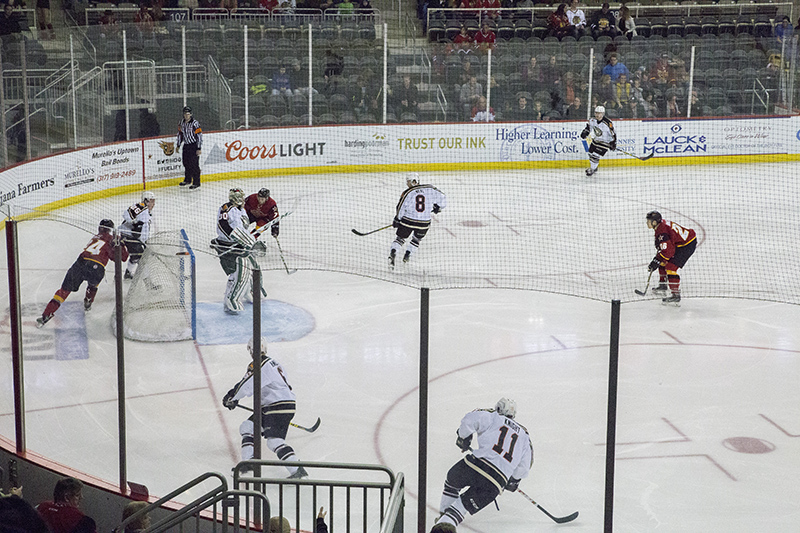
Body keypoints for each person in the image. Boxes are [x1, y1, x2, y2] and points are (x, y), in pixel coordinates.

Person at [436, 398, 532, 529]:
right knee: (461, 507)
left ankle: (443, 519)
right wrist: (513, 480)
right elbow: (524, 467)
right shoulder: (524, 435)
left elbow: (470, 420)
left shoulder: (493, 416)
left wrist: (464, 437)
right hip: (495, 482)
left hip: (475, 466)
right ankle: (447, 520)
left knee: (452, 482)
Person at [222, 336, 309, 479]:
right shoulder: (274, 363)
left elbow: (248, 384)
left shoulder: (259, 364)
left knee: (274, 441)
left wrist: (232, 396)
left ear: (250, 350)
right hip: (280, 405)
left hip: (276, 406)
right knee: (247, 427)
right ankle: (248, 462)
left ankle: (297, 470)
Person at [36, 220, 128, 327]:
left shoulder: (95, 237)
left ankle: (46, 315)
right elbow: (122, 258)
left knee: (63, 291)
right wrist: (121, 245)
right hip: (96, 268)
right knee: (94, 282)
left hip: (80, 263)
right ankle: (88, 301)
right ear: (110, 230)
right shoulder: (112, 239)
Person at [212, 188, 258, 315]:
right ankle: (229, 302)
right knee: (236, 274)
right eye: (241, 197)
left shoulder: (242, 210)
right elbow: (223, 225)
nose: (243, 200)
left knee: (249, 270)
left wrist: (248, 238)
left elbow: (244, 229)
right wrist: (235, 236)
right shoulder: (226, 208)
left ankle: (246, 293)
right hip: (227, 246)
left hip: (239, 245)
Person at [388, 173, 447, 268]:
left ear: (413, 181)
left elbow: (401, 207)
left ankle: (393, 253)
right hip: (424, 223)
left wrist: (397, 219)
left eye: (408, 181)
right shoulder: (429, 188)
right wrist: (439, 207)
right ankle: (407, 256)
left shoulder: (407, 192)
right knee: (416, 240)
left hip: (408, 221)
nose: (407, 184)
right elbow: (443, 197)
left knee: (400, 239)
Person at [645, 211, 696, 305]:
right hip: (682, 242)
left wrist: (656, 260)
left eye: (649, 221)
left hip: (687, 245)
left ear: (655, 222)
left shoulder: (662, 232)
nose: (647, 223)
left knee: (670, 268)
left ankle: (675, 295)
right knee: (662, 260)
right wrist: (658, 259)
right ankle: (663, 285)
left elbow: (668, 252)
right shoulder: (661, 226)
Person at [120, 190, 155, 280]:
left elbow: (144, 231)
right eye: (151, 201)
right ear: (146, 200)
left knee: (136, 255)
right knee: (142, 258)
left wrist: (145, 242)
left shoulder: (145, 210)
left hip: (130, 236)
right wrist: (134, 222)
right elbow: (126, 214)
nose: (153, 204)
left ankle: (128, 273)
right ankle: (148, 283)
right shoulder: (142, 208)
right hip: (129, 236)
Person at [579, 105, 616, 177]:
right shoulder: (592, 120)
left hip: (605, 142)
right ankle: (594, 167)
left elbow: (613, 133)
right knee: (590, 153)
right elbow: (588, 128)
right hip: (596, 140)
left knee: (595, 156)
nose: (598, 115)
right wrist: (585, 132)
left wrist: (613, 143)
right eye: (596, 113)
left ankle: (592, 169)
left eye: (600, 113)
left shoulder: (608, 123)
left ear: (603, 114)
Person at [177, 106, 202, 189]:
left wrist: (198, 148)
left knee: (194, 164)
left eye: (188, 114)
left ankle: (196, 182)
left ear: (191, 114)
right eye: (185, 114)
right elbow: (180, 134)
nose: (186, 116)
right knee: (186, 163)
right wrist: (178, 145)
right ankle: (187, 179)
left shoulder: (195, 123)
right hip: (186, 145)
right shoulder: (181, 123)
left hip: (193, 145)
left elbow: (199, 136)